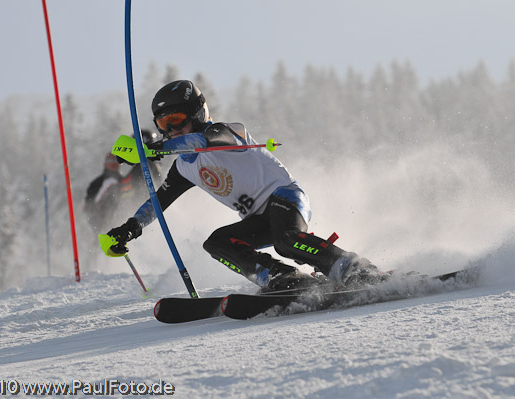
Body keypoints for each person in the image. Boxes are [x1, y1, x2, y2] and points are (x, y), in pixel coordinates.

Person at [105, 80, 382, 290]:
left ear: (197, 115)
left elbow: (200, 142)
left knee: (285, 240)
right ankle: (280, 277)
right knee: (217, 243)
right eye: (163, 124)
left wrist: (154, 148)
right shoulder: (184, 168)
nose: (171, 130)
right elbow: (158, 203)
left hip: (285, 198)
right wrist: (129, 229)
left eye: (176, 120)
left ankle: (353, 269)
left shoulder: (225, 133)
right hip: (259, 217)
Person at [84, 153, 123, 232]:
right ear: (105, 163)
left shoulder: (123, 181)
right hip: (101, 221)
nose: (113, 163)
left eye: (115, 160)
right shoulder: (97, 183)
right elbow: (89, 204)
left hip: (120, 219)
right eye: (110, 160)